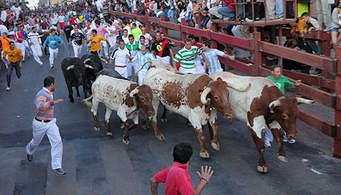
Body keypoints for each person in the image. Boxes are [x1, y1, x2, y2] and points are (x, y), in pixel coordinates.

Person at [26, 76, 66, 175]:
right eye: (55, 83)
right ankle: (29, 151)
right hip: (40, 124)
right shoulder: (42, 93)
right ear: (51, 84)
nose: (55, 85)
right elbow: (40, 106)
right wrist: (53, 102)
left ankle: (57, 166)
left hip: (51, 123)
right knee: (35, 142)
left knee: (57, 141)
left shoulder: (49, 93)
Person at [264, 66, 301, 147]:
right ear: (272, 72)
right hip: (272, 104)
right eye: (277, 72)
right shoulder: (267, 80)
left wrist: (296, 84)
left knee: (285, 120)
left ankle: (287, 136)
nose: (279, 73)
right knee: (270, 122)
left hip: (282, 104)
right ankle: (267, 140)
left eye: (280, 71)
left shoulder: (282, 79)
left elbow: (291, 85)